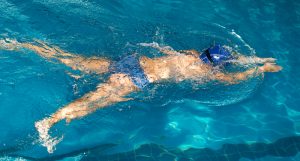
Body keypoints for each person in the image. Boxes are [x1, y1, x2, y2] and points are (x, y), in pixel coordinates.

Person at [0, 39, 282, 153]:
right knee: (90, 104)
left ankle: (16, 44)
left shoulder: (187, 55)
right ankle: (50, 120)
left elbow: (225, 58)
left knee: (70, 59)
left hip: (132, 62)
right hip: (136, 80)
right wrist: (263, 67)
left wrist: (257, 58)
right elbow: (238, 76)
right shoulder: (209, 75)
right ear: (219, 66)